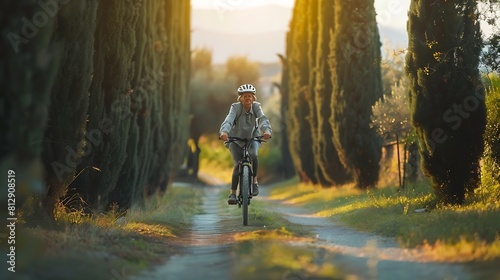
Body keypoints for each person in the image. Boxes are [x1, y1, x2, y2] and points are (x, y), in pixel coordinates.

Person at [219, 83, 272, 205]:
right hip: (235, 139)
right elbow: (229, 120)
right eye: (245, 96)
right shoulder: (235, 107)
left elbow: (263, 119)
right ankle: (233, 193)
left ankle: (254, 182)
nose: (247, 98)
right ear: (240, 99)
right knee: (238, 164)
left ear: (253, 98)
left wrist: (267, 130)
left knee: (254, 154)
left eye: (250, 96)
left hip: (252, 137)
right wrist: (224, 132)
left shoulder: (256, 107)